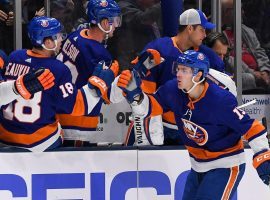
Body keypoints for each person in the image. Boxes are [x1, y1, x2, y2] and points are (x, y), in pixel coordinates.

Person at [117, 50, 270, 199]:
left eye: (184, 70)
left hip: (225, 166)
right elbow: (149, 108)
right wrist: (136, 96)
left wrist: (262, 156)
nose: (178, 74)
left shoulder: (220, 100)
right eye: (178, 69)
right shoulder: (173, 90)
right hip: (198, 166)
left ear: (198, 75)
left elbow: (252, 127)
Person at [0, 16, 118, 152]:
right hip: (41, 143)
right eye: (58, 36)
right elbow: (78, 106)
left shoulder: (15, 56)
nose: (62, 38)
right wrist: (98, 85)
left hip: (6, 138)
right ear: (47, 42)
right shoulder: (57, 69)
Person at [116, 8, 217, 146]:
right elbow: (141, 90)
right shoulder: (159, 49)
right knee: (136, 161)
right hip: (155, 123)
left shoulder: (204, 56)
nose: (205, 35)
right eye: (202, 29)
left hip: (185, 127)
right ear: (189, 28)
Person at [56, 0, 121, 146]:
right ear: (104, 23)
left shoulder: (76, 35)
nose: (116, 25)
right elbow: (105, 95)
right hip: (79, 120)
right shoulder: (99, 54)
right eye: (115, 20)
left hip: (60, 111)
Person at [108, 0, 162, 68]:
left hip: (146, 63)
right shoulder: (122, 7)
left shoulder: (147, 8)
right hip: (127, 66)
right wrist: (163, 4)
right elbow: (143, 19)